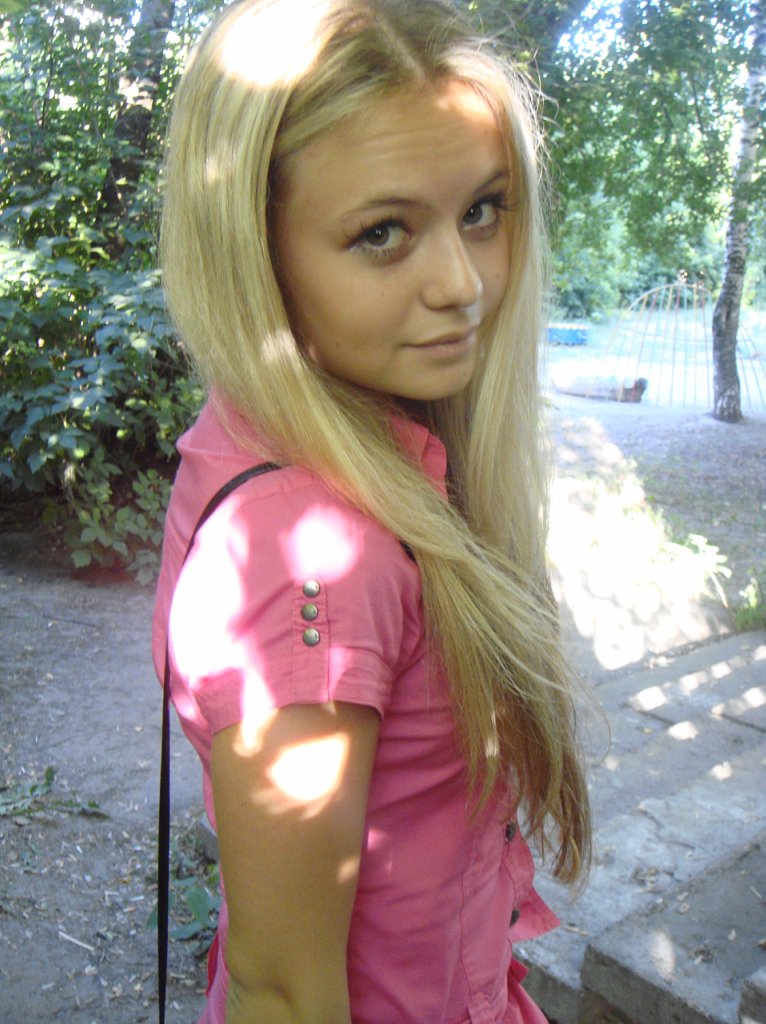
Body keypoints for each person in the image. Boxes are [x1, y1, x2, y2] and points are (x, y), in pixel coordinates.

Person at [152, 1, 592, 1022]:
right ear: (254, 251)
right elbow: (282, 990)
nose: (464, 285)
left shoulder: (311, 426)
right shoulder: (311, 553)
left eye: (482, 210)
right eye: (383, 233)